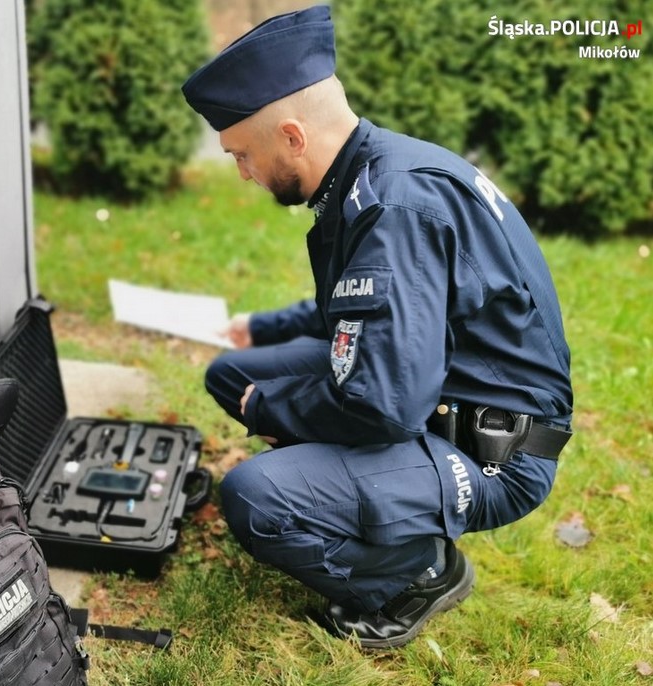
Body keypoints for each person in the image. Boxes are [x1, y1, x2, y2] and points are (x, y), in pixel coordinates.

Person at [181, 5, 573, 649]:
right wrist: (263, 328)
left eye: (242, 154)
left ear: (292, 136)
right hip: (433, 393)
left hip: (489, 452)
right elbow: (364, 309)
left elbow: (385, 405)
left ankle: (417, 573)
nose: (242, 173)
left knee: (252, 496)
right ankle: (357, 494)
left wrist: (273, 408)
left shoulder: (394, 206)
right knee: (232, 374)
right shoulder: (370, 172)